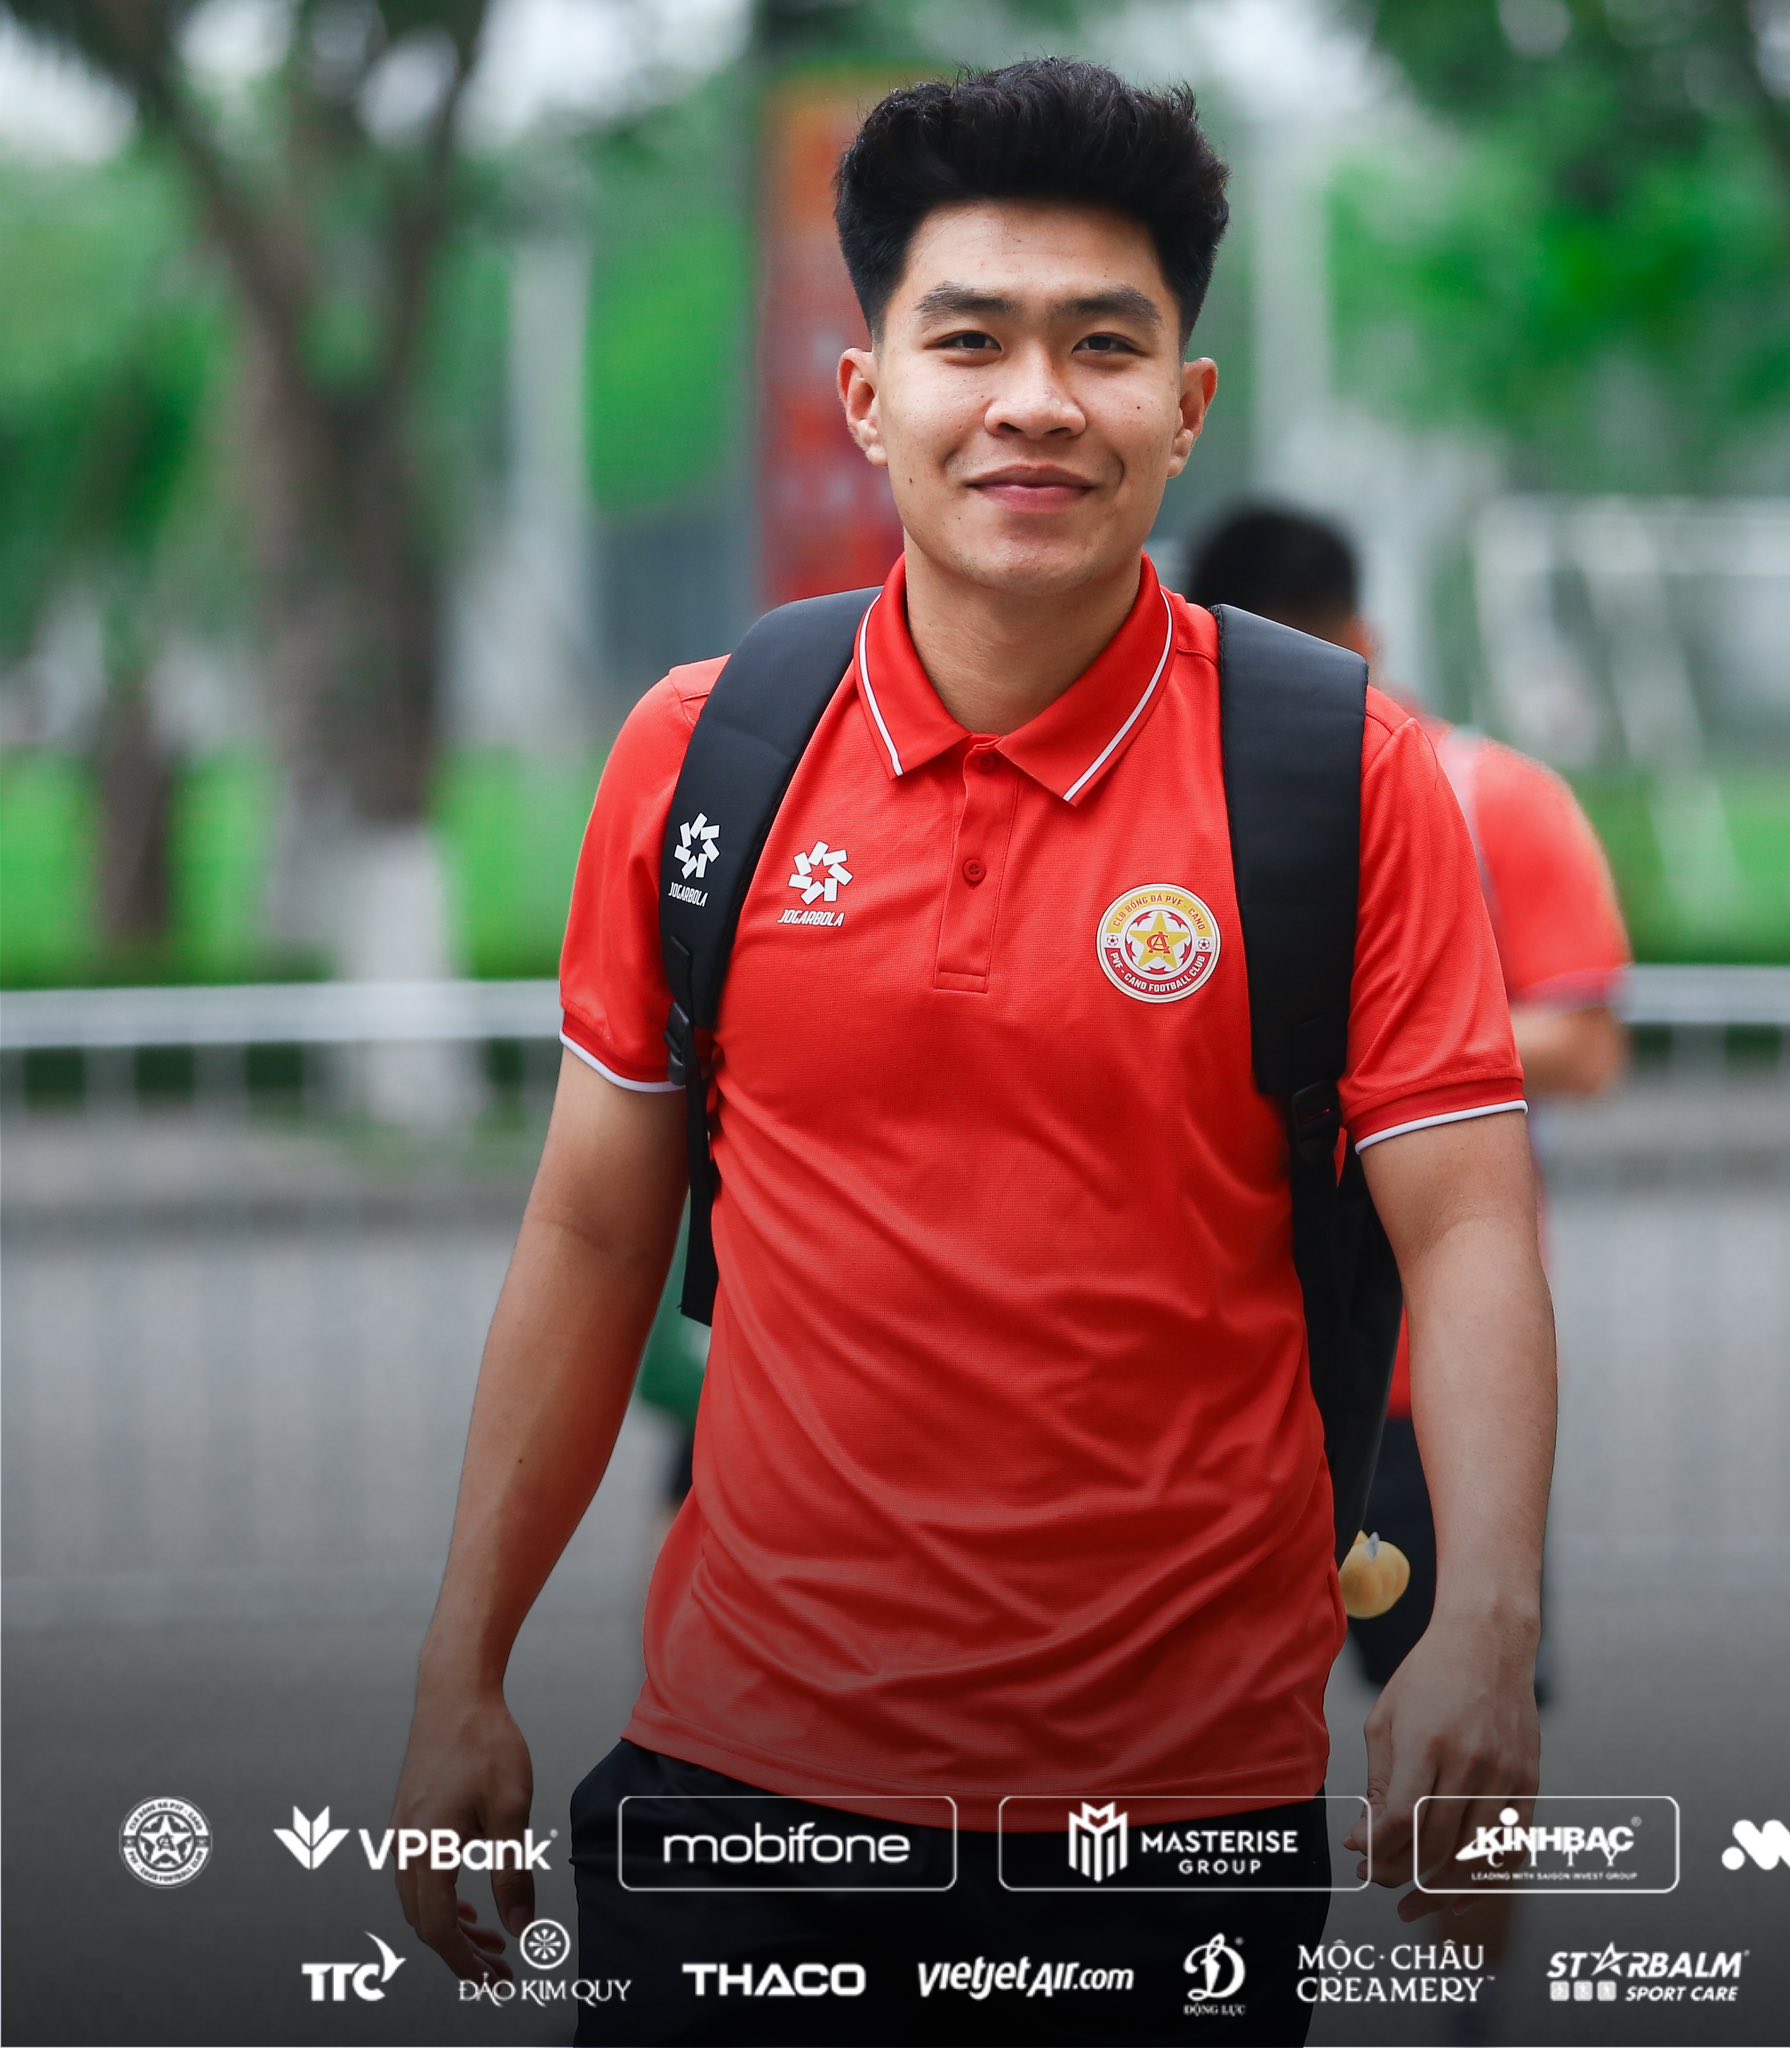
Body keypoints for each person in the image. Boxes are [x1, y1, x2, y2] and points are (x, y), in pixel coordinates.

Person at [392, 61, 1556, 2048]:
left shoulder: (1335, 774)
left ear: (1186, 406)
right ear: (868, 395)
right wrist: (460, 1666)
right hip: (738, 1794)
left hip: (1169, 1826)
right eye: (969, 340)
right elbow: (592, 1226)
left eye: (1104, 344)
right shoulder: (707, 752)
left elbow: (1464, 1226)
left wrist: (1483, 1632)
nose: (1036, 399)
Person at [1188, 504, 1631, 2031]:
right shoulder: (1163, 793)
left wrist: (1380, 1038)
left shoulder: (1487, 795)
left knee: (1462, 1732)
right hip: (1209, 1388)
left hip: (1414, 1380)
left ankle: (1464, 2013)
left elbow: (1586, 1040)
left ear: (1364, 646)